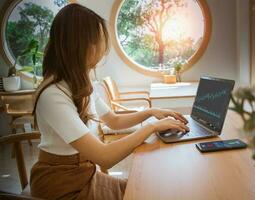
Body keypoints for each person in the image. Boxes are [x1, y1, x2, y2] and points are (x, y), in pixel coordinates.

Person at [30, 3, 189, 200]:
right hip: (61, 186)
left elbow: (113, 120)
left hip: (85, 175)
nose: (101, 49)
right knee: (142, 193)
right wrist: (152, 127)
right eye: (96, 41)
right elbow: (104, 156)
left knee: (146, 189)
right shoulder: (53, 95)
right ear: (78, 44)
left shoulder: (81, 83)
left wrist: (151, 112)